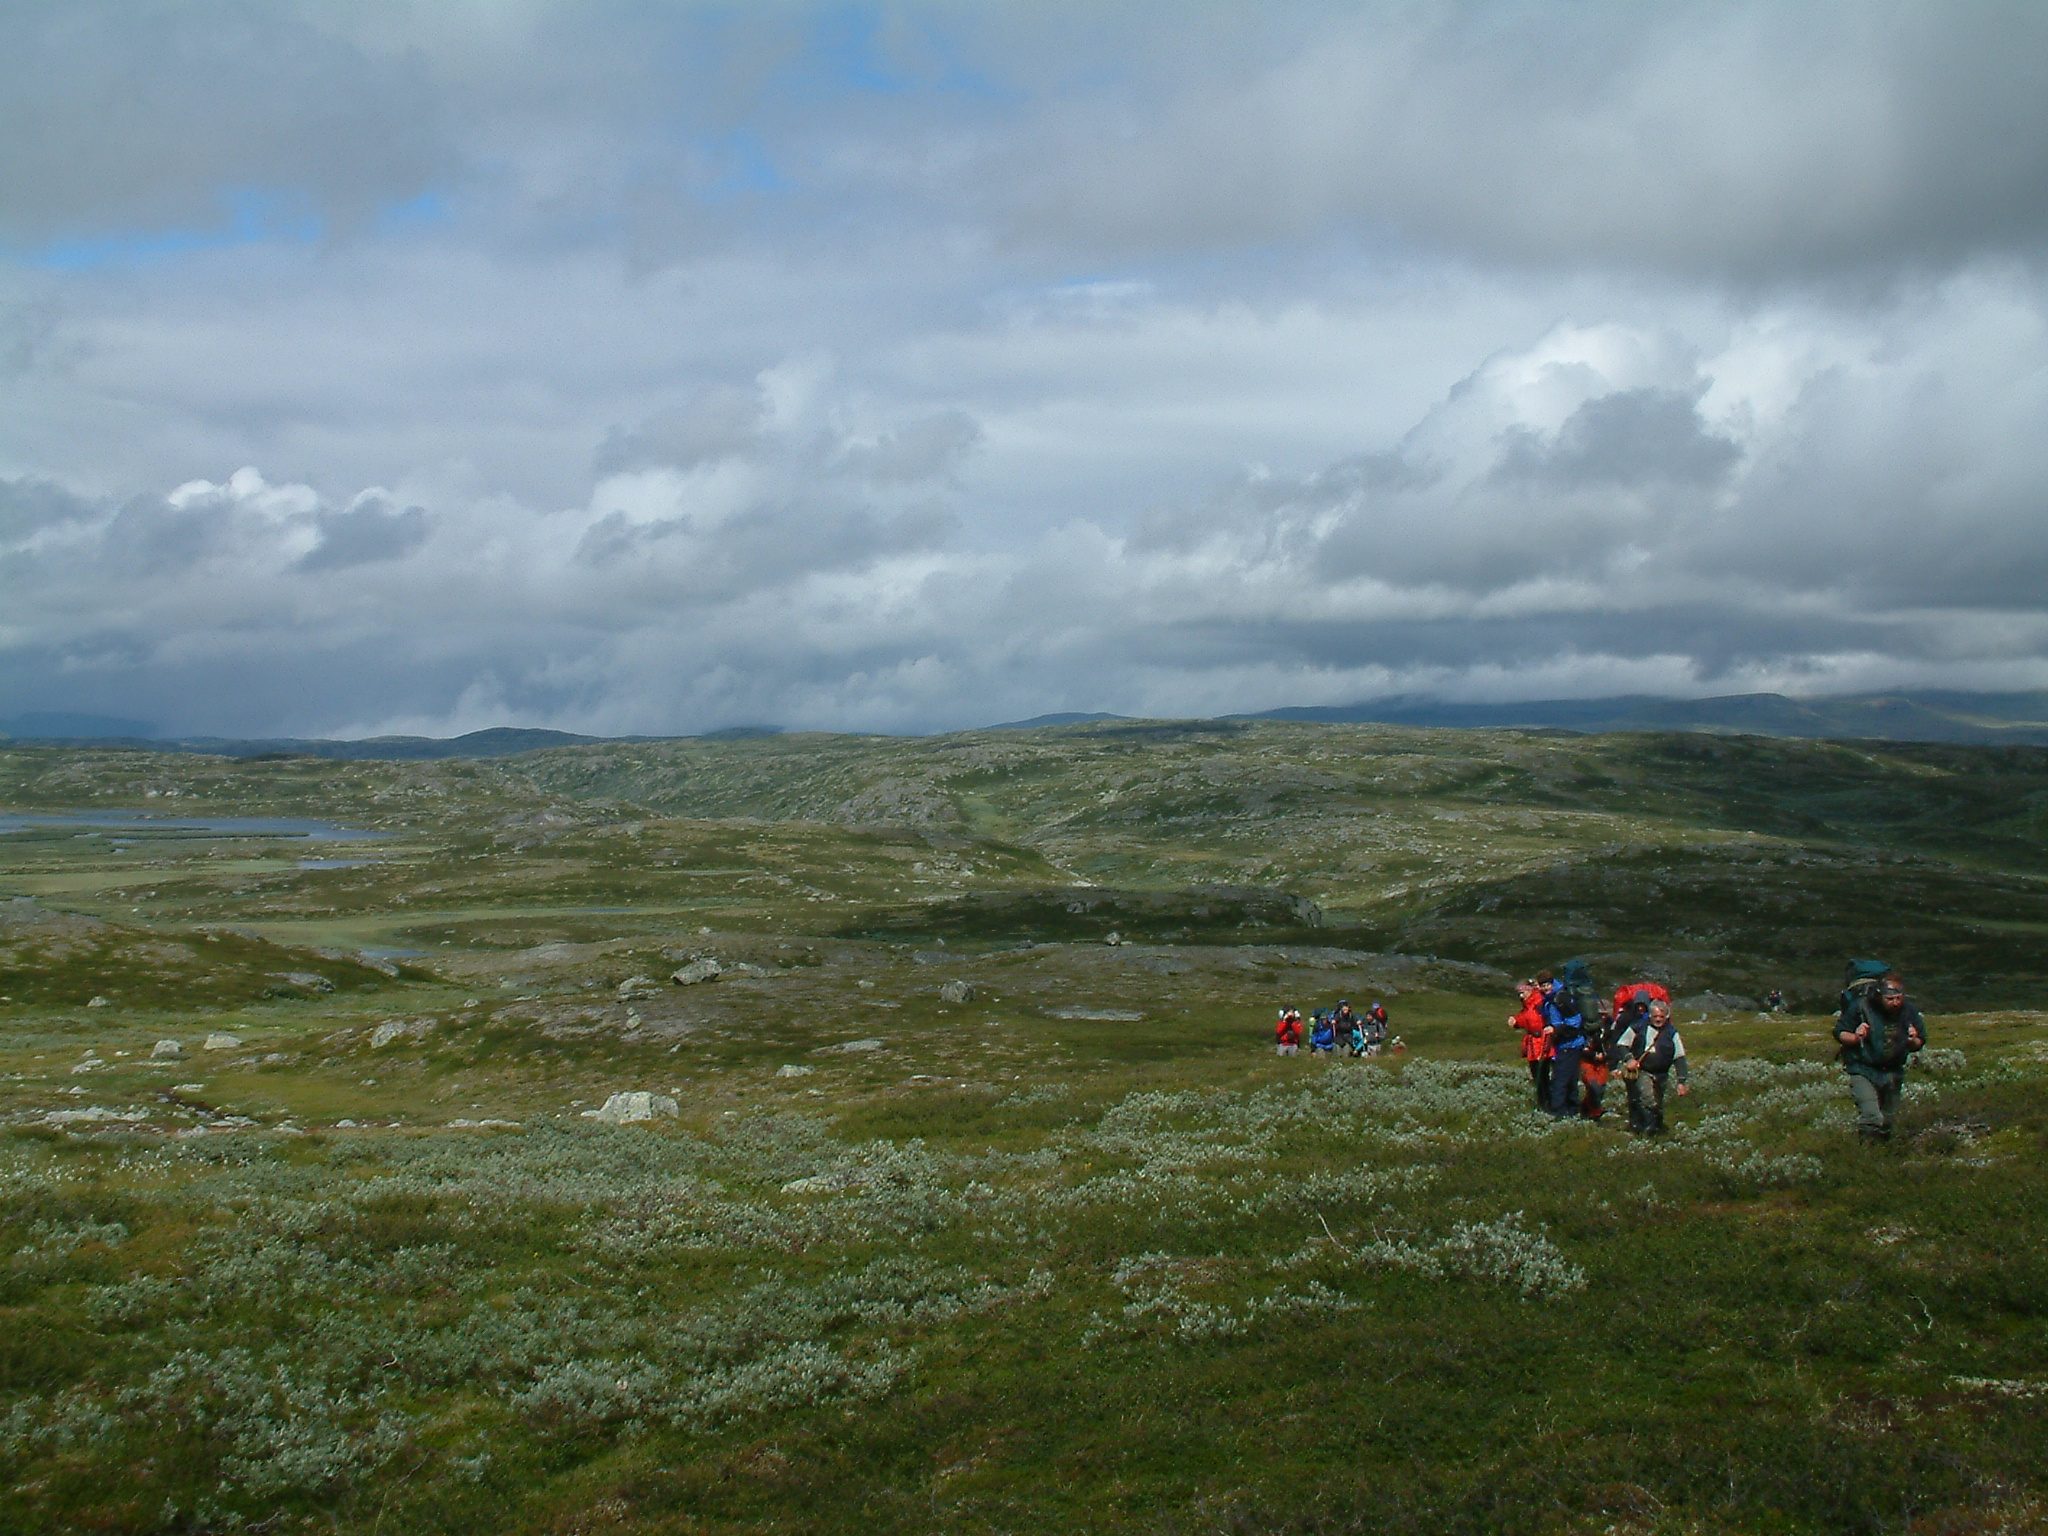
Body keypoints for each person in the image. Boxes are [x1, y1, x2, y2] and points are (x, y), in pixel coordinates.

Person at [1835, 973, 1925, 1141]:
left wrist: (1912, 1040)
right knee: (1871, 1116)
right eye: (1890, 999)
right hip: (1862, 1069)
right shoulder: (1861, 1007)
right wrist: (1856, 1037)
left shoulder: (1909, 1011)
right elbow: (1840, 1033)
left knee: (1888, 1120)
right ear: (1879, 996)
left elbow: (1919, 1042)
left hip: (1893, 1072)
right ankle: (1866, 1151)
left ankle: (1882, 1151)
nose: (1895, 1003)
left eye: (1898, 998)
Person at [1618, 998, 1690, 1134]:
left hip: (1662, 1073)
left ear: (1666, 1017)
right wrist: (1629, 1059)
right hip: (1643, 1071)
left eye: (1661, 1017)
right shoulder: (1637, 1027)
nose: (1658, 1019)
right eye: (1655, 1016)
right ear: (1650, 1015)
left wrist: (1681, 1081)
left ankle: (1652, 1127)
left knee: (1657, 1102)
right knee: (1648, 1098)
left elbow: (1679, 1057)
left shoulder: (1672, 1033)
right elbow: (1622, 1044)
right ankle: (1648, 1129)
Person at [1538, 970, 1588, 1119]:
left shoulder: (1561, 998)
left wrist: (1555, 1029)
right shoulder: (1552, 998)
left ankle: (1558, 1111)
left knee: (1559, 1079)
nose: (1545, 988)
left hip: (1570, 1044)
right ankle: (1573, 1110)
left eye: (1547, 985)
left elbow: (1575, 1022)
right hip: (1568, 1044)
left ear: (1552, 983)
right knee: (1570, 1078)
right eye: (1543, 986)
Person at [1509, 981, 1551, 1110]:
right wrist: (1516, 1021)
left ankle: (1547, 1103)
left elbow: (1538, 1022)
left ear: (1530, 990)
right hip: (1534, 1045)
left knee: (1542, 1076)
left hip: (1542, 1043)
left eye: (1523, 993)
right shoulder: (1528, 1005)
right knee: (1537, 1075)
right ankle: (1544, 1103)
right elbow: (1525, 1019)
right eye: (1519, 994)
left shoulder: (1539, 1003)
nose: (1521, 996)